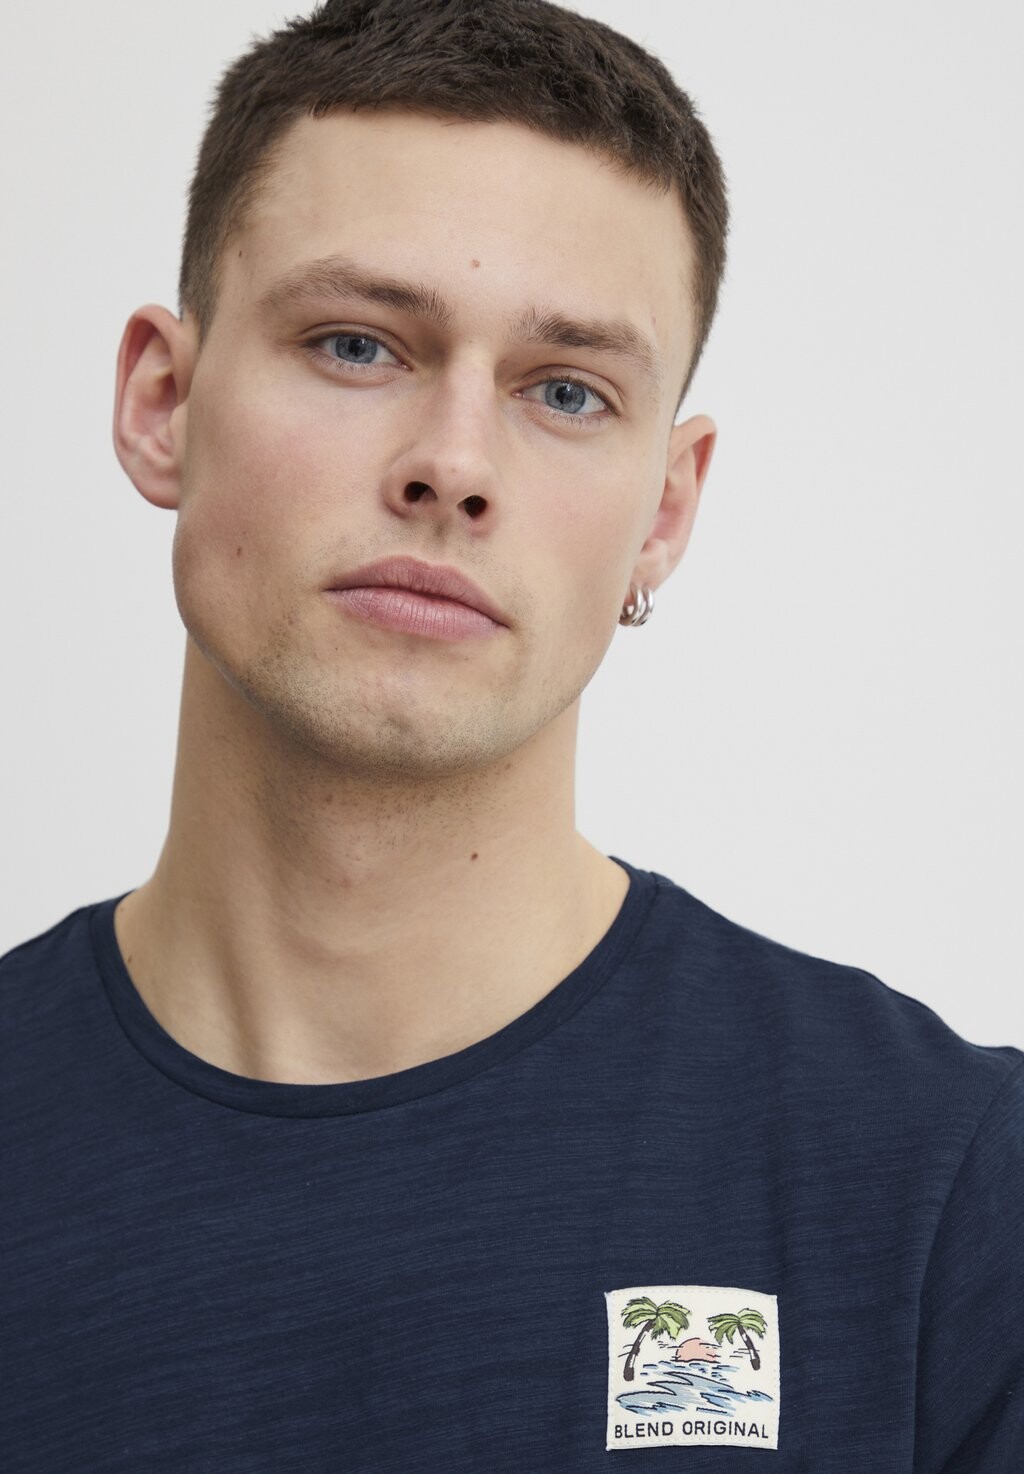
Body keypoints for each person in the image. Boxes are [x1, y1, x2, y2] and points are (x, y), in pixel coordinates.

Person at [2, 1, 1021, 1468]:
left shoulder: (949, 1195)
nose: (453, 465)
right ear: (163, 402)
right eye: (357, 344)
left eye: (565, 391)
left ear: (665, 509)